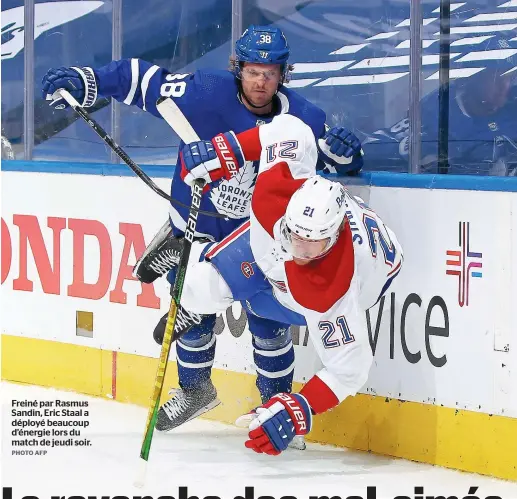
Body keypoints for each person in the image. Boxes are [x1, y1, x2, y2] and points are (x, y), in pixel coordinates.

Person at [41, 25, 364, 439]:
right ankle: (195, 390)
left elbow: (326, 170)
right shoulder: (204, 93)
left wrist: (347, 158)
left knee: (267, 319)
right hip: (197, 228)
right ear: (238, 69)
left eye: (269, 71)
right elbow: (139, 79)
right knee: (189, 306)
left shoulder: (304, 118)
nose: (261, 80)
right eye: (252, 70)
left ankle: (274, 404)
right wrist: (88, 80)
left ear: (283, 73)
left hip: (257, 238)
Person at [159, 113, 403, 455]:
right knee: (196, 287)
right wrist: (227, 149)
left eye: (313, 242)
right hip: (271, 241)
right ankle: (198, 286)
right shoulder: (277, 191)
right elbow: (292, 129)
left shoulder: (332, 287)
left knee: (262, 310)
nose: (300, 249)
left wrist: (301, 408)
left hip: (370, 277)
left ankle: (273, 391)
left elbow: (350, 368)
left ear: (332, 238)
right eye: (296, 235)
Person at [361, 35, 517, 176]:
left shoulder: (511, 112)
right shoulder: (433, 117)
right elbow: (369, 147)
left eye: (509, 77)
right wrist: (410, 148)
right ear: (473, 77)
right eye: (496, 77)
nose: (506, 86)